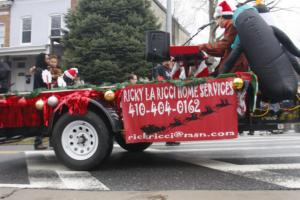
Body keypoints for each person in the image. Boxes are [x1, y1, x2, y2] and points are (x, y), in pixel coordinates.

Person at [198, 0, 248, 76]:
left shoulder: (231, 25)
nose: (217, 22)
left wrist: (203, 47)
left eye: (217, 19)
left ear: (221, 17)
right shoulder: (230, 26)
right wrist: (206, 49)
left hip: (235, 66)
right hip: (233, 65)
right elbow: (223, 51)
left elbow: (223, 46)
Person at [153, 58, 180, 146]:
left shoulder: (170, 69)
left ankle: (172, 138)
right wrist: (165, 82)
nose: (170, 62)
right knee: (168, 119)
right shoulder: (159, 68)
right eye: (169, 60)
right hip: (164, 97)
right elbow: (158, 78)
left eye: (171, 61)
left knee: (173, 118)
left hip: (171, 97)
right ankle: (169, 139)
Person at [30, 53, 50, 150]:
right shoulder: (39, 71)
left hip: (42, 98)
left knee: (43, 120)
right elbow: (42, 86)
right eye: (47, 58)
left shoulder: (42, 70)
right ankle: (38, 142)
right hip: (40, 100)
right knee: (41, 120)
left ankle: (40, 142)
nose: (48, 59)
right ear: (42, 60)